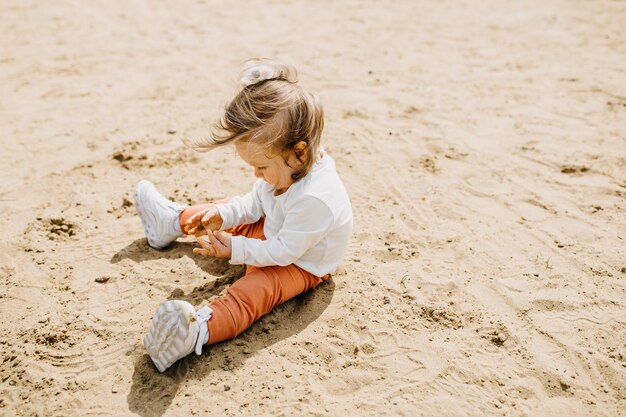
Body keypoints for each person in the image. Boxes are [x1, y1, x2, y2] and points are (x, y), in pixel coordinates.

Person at [134, 59, 353, 372]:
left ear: (299, 152)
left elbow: (281, 253)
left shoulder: (316, 199)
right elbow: (254, 202)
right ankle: (171, 221)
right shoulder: (287, 170)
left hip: (301, 263)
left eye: (262, 166)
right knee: (226, 207)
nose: (256, 173)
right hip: (278, 232)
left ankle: (196, 332)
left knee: (254, 291)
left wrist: (234, 249)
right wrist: (222, 216)